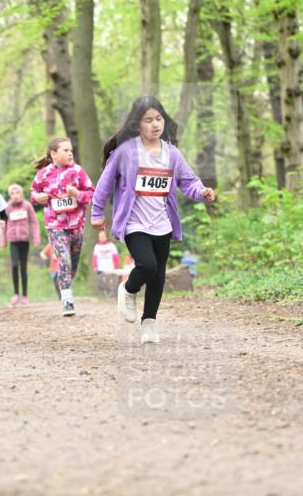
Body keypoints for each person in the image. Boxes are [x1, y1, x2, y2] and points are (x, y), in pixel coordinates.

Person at [90, 95, 215, 344]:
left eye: (159, 119)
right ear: (137, 125)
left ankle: (149, 323)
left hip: (162, 223)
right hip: (134, 222)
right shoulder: (126, 152)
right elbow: (105, 183)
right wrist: (96, 212)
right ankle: (128, 289)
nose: (155, 124)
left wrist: (202, 192)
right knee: (147, 266)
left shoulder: (172, 154)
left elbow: (188, 182)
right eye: (148, 120)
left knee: (158, 275)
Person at [31, 137, 94, 317]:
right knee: (64, 260)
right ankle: (67, 300)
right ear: (53, 154)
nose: (70, 153)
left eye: (70, 150)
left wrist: (77, 194)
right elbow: (33, 193)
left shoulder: (78, 172)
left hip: (77, 227)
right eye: (65, 150)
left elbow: (92, 194)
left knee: (72, 266)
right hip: (55, 226)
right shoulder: (43, 174)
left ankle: (66, 285)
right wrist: (38, 198)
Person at [2, 183, 40, 305]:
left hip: (25, 239)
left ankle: (24, 295)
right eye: (12, 193)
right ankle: (16, 294)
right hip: (13, 240)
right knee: (14, 266)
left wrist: (36, 238)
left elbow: (34, 222)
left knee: (23, 267)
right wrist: (3, 240)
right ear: (10, 195)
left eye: (17, 193)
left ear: (21, 193)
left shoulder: (27, 206)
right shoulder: (7, 207)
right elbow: (4, 224)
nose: (15, 195)